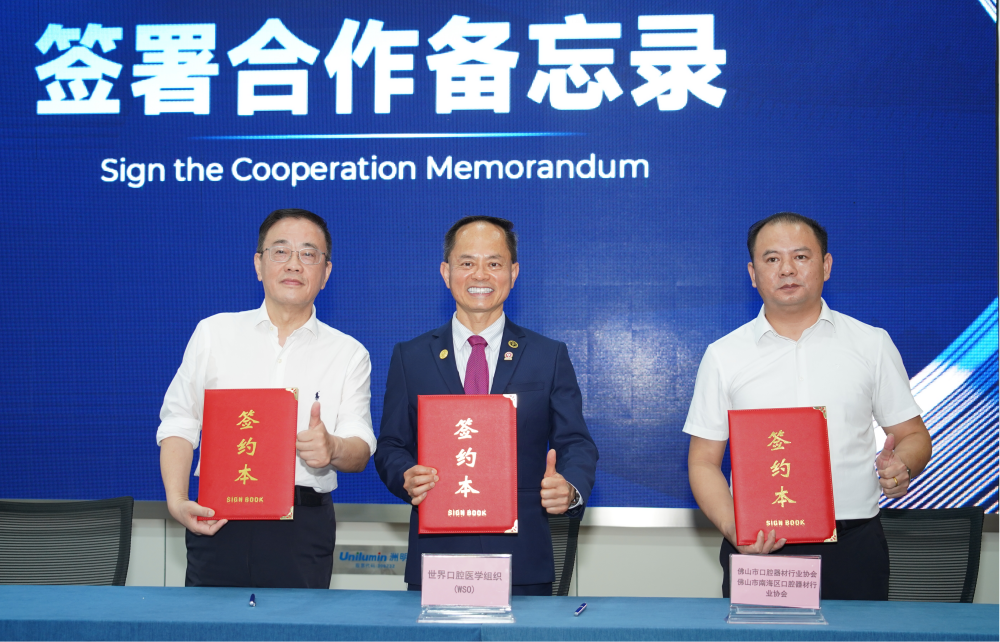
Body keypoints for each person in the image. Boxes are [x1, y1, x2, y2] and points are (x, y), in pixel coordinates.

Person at [684, 212, 932, 600]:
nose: (787, 269)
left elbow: (913, 434)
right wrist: (736, 530)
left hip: (853, 546)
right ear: (753, 274)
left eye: (800, 257)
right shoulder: (723, 356)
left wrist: (903, 465)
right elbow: (702, 462)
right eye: (772, 259)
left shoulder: (871, 344)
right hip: (760, 549)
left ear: (826, 266)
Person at [375, 216, 599, 596]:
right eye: (467, 263)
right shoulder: (410, 357)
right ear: (446, 273)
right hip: (438, 558)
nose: (480, 274)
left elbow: (576, 443)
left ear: (513, 273)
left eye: (494, 263)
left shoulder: (548, 356)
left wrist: (570, 487)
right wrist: (405, 475)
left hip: (522, 561)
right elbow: (391, 446)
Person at [157, 208, 376, 588]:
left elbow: (360, 445)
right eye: (280, 251)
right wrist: (176, 499)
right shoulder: (214, 333)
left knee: (298, 621)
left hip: (302, 528)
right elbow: (179, 421)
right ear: (258, 264)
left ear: (326, 272)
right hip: (217, 518)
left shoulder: (348, 352)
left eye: (308, 254)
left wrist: (333, 447)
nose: (294, 264)